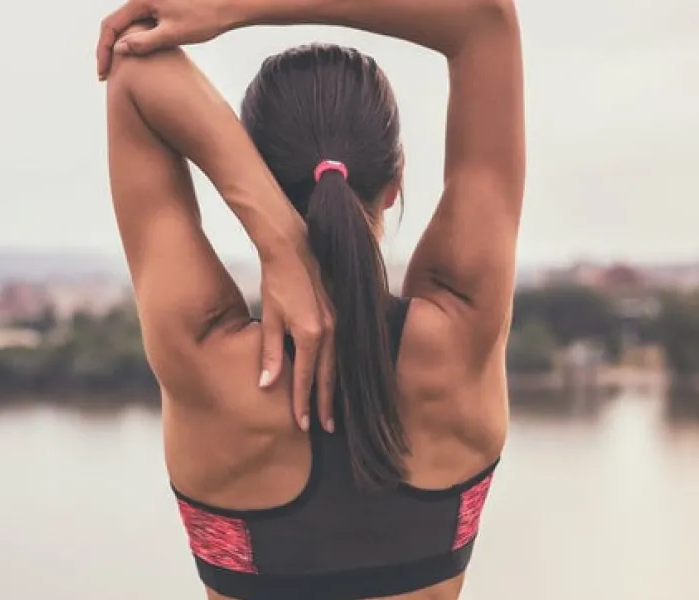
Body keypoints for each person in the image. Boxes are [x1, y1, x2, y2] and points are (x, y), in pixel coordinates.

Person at [97, 0, 523, 597]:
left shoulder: (206, 359)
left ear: (258, 172)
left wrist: (276, 235)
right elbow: (485, 20)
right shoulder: (461, 331)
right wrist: (230, 10)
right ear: (395, 180)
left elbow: (135, 69)